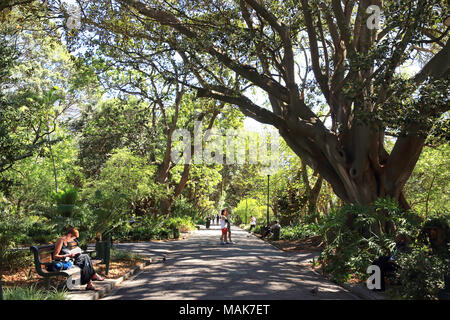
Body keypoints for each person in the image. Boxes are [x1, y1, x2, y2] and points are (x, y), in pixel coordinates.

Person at [54, 227, 104, 291]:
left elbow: (67, 251)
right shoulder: (60, 240)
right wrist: (67, 255)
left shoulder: (67, 240)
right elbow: (55, 256)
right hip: (64, 262)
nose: (73, 239)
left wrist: (74, 252)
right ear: (69, 235)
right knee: (85, 260)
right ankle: (91, 280)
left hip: (70, 260)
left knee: (85, 257)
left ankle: (90, 282)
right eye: (73, 238)